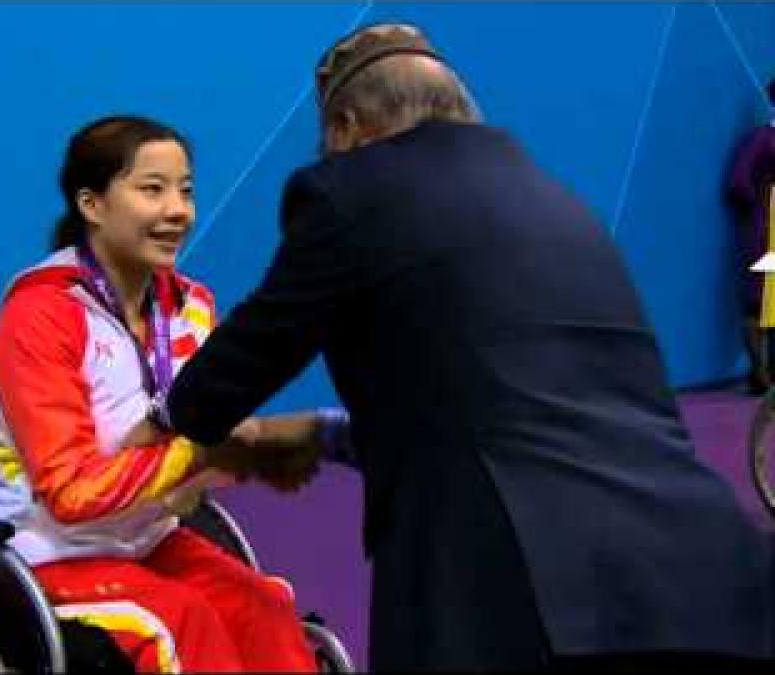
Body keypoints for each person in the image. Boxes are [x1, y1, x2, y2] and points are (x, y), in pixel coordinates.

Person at [139, 23, 774, 672]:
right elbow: (500, 401)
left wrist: (162, 419)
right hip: (711, 577)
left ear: (348, 128)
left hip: (530, 596)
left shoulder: (351, 190)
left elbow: (254, 349)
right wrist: (322, 434)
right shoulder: (559, 206)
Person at [0, 115, 321, 673]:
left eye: (185, 191)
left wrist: (254, 447)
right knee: (182, 625)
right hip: (54, 557)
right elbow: (70, 493)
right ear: (92, 204)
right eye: (152, 190)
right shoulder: (39, 319)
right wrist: (203, 451)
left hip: (149, 541)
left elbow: (210, 452)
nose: (178, 211)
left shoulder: (191, 307)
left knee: (265, 607)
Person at [727, 78, 775, 395]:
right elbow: (739, 183)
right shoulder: (762, 140)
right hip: (766, 232)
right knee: (758, 303)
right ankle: (759, 374)